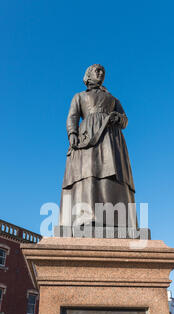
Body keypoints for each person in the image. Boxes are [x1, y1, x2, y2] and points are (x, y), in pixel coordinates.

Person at [59, 64, 137, 230]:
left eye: (103, 71)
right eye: (97, 70)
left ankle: (118, 219)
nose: (101, 73)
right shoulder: (79, 96)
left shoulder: (113, 99)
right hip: (87, 137)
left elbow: (125, 120)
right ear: (88, 75)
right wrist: (72, 133)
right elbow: (72, 116)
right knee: (88, 173)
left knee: (112, 174)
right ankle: (86, 216)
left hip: (111, 138)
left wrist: (118, 118)